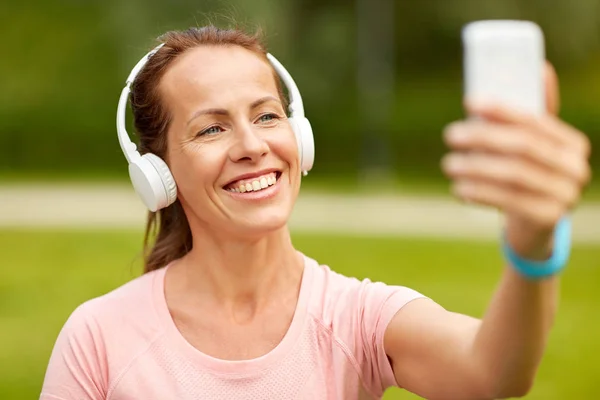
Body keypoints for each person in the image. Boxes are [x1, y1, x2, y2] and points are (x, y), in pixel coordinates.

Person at [41, 25, 591, 400]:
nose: (252, 145)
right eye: (212, 127)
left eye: (267, 116)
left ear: (298, 138)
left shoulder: (360, 317)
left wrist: (532, 243)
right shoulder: (99, 337)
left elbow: (493, 372)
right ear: (156, 173)